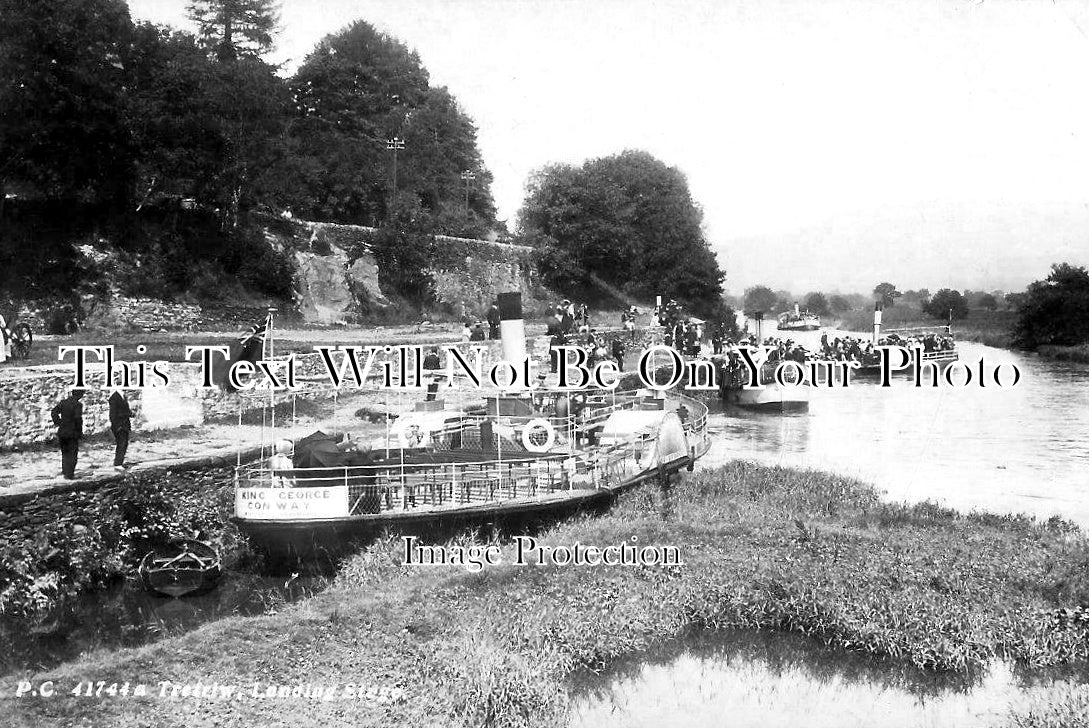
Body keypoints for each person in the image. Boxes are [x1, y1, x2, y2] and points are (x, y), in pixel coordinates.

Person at [51, 389, 84, 479]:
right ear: (79, 395)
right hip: (72, 432)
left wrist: (59, 422)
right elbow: (78, 419)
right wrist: (80, 432)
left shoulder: (63, 402)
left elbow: (54, 412)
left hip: (62, 431)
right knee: (72, 454)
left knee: (65, 453)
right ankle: (69, 474)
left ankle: (65, 471)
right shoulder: (78, 405)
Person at [108, 388, 132, 470]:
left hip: (125, 425)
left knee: (124, 444)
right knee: (121, 444)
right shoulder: (114, 397)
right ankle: (117, 464)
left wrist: (129, 413)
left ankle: (120, 462)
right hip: (119, 425)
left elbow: (124, 410)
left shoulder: (123, 396)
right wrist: (117, 426)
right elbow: (112, 414)